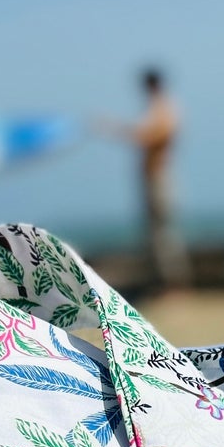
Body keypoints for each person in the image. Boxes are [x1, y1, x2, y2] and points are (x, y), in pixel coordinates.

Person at [94, 68, 191, 292]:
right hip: (153, 176)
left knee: (163, 233)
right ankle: (164, 284)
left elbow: (152, 135)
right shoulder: (158, 107)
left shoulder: (164, 107)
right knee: (155, 233)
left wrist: (114, 128)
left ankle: (174, 286)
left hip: (160, 176)